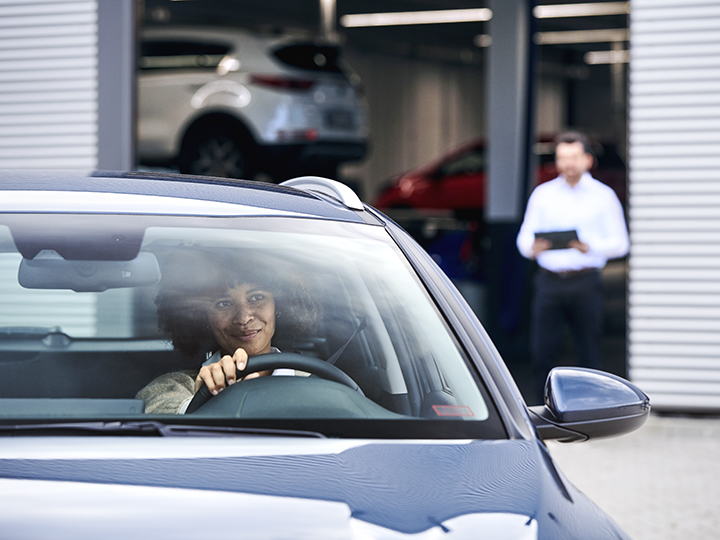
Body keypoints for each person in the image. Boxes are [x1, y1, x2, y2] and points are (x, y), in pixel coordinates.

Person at [516, 131, 629, 400]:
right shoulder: (542, 195)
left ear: (588, 160)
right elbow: (523, 239)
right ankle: (541, 409)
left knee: (588, 350)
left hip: (585, 280)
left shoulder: (604, 196)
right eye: (562, 158)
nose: (568, 164)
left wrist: (590, 246)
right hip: (549, 281)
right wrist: (532, 248)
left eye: (574, 157)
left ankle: (592, 408)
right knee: (543, 351)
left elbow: (621, 243)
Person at [136, 249, 320, 414]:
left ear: (278, 306)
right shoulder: (175, 387)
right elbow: (158, 410)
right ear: (201, 317)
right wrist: (207, 398)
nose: (243, 318)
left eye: (256, 298)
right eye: (223, 303)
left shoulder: (317, 383)